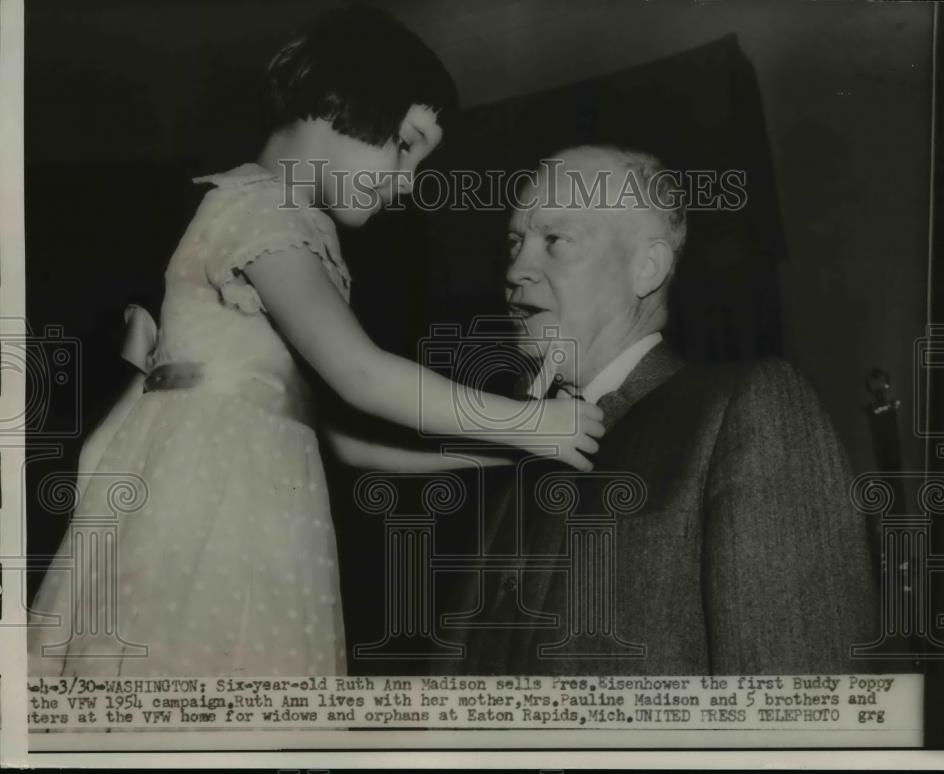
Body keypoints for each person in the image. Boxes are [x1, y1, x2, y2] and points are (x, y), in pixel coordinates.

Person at [27, 7, 603, 679]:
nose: (410, 180)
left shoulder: (290, 225)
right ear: (336, 104)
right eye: (406, 144)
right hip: (210, 504)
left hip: (259, 505)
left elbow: (343, 441)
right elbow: (360, 373)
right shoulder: (263, 207)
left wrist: (506, 449)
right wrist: (534, 422)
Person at [452, 144, 879, 675]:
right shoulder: (515, 448)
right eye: (514, 242)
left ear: (646, 268)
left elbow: (799, 720)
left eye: (554, 240)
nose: (516, 268)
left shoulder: (748, 410)